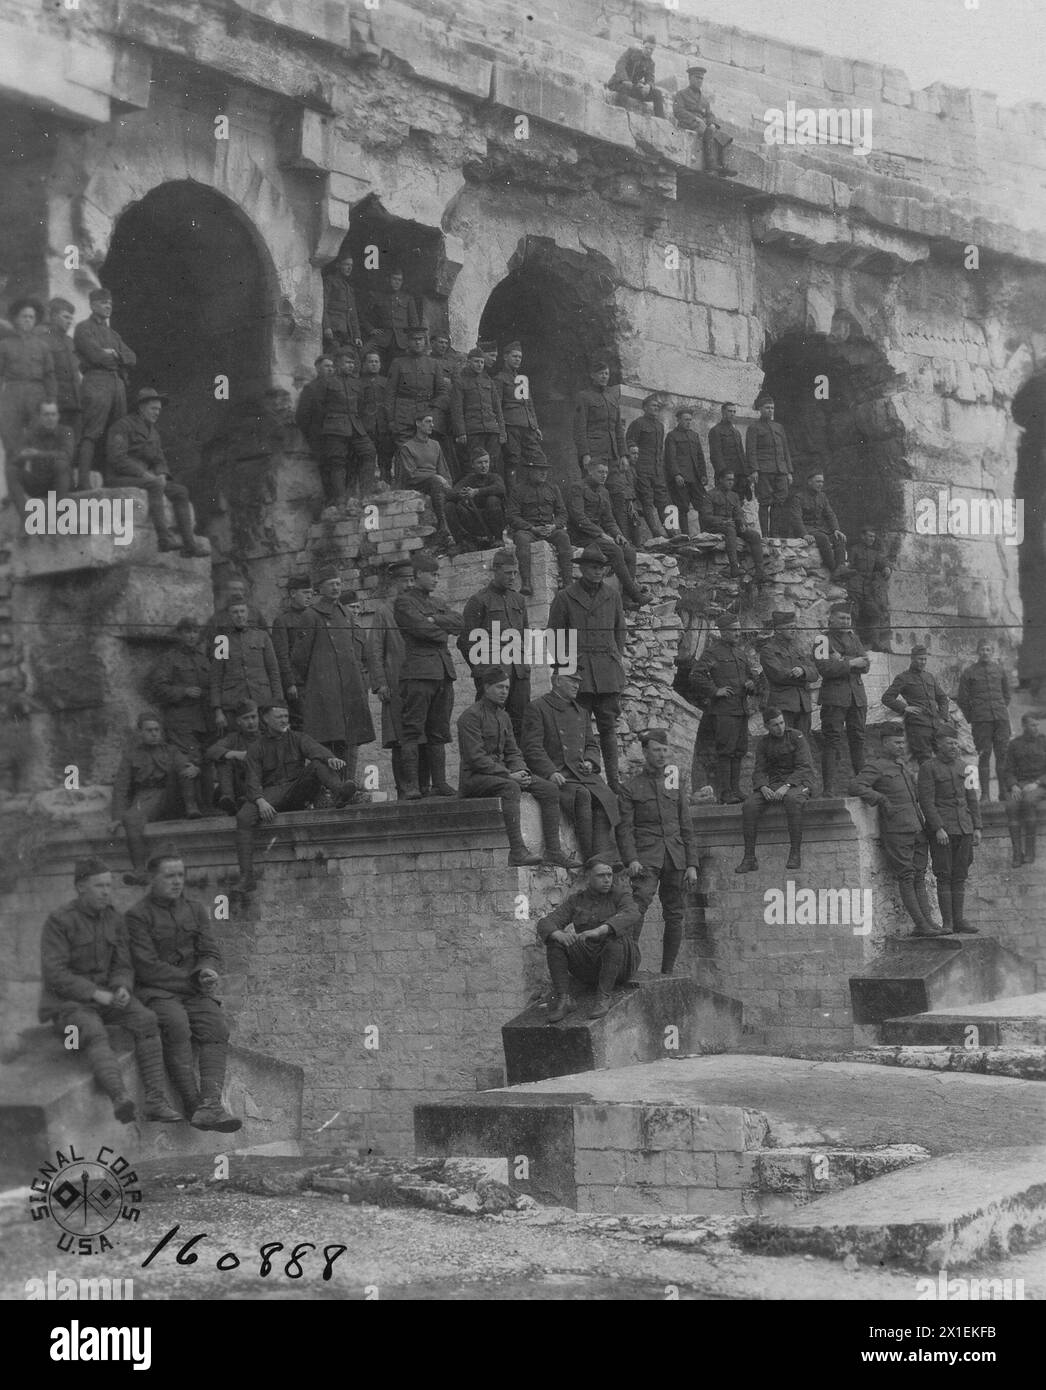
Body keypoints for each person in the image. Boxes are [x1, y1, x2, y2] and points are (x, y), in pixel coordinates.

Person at [38, 857, 182, 1125]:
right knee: (93, 1032)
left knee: (147, 1019)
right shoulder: (59, 921)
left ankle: (155, 1100)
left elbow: (123, 964)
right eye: (99, 886)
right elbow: (55, 974)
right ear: (81, 887)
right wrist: (95, 993)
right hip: (68, 1004)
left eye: (108, 885)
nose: (106, 891)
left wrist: (122, 987)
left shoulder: (114, 919)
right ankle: (119, 1097)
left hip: (107, 998)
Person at [126, 851, 242, 1131]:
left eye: (180, 875)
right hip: (156, 992)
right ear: (152, 879)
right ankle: (193, 1105)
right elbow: (146, 967)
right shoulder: (136, 916)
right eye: (169, 876)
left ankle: (211, 1104)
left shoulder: (195, 909)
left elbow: (209, 949)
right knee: (177, 1025)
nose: (177, 881)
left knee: (216, 1026)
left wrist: (207, 969)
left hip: (192, 991)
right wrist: (193, 980)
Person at [458, 666, 573, 868]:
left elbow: (513, 751)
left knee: (549, 788)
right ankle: (518, 852)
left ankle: (554, 852)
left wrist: (522, 771)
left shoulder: (503, 717)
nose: (504, 692)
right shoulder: (470, 717)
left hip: (503, 774)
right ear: (486, 688)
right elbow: (476, 758)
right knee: (510, 788)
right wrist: (509, 775)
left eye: (507, 688)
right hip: (475, 778)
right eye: (499, 687)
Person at [233, 704, 354, 892]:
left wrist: (330, 758)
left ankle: (340, 792)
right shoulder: (256, 748)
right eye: (279, 717)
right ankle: (247, 877)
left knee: (317, 763)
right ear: (265, 719)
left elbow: (314, 749)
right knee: (243, 817)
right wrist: (260, 800)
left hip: (297, 790)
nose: (284, 720)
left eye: (286, 716)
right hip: (271, 795)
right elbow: (253, 778)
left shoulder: (297, 738)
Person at [617, 728, 700, 976]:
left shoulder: (675, 783)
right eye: (656, 750)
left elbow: (686, 826)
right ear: (645, 752)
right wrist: (631, 859)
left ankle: (667, 971)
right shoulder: (631, 787)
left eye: (665, 750)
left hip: (675, 857)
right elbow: (625, 829)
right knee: (637, 906)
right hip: (646, 857)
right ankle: (629, 968)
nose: (662, 754)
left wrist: (692, 864)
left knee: (675, 913)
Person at [548, 545, 628, 792]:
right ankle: (581, 778)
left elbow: (620, 631)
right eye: (593, 568)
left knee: (608, 728)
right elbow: (555, 636)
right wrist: (566, 670)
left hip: (606, 672)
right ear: (581, 569)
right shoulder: (565, 597)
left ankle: (613, 781)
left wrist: (615, 658)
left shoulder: (612, 595)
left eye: (601, 568)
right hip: (578, 673)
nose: (597, 572)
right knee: (576, 728)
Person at [851, 723, 940, 937]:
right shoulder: (876, 766)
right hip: (897, 829)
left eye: (903, 743)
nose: (901, 747)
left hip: (917, 828)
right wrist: (880, 798)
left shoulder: (901, 766)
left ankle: (928, 923)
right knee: (907, 876)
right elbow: (856, 786)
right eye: (896, 743)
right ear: (884, 743)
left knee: (919, 875)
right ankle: (921, 925)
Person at [522, 668, 620, 862]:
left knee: (607, 796)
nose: (577, 685)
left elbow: (591, 744)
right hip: (558, 772)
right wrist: (549, 771)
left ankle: (602, 852)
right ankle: (590, 856)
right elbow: (532, 748)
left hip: (582, 773)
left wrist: (591, 762)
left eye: (578, 681)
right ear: (556, 680)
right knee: (582, 795)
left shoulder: (581, 712)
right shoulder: (538, 708)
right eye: (571, 680)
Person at [291, 564, 375, 789]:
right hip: (323, 691)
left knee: (350, 739)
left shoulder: (345, 613)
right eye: (331, 584)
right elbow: (300, 658)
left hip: (349, 689)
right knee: (327, 741)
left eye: (338, 583)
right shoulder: (310, 616)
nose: (336, 588)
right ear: (320, 587)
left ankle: (348, 786)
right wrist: (304, 688)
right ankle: (328, 791)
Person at [393, 551, 465, 799]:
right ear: (418, 575)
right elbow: (421, 629)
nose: (436, 579)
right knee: (412, 731)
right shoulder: (404, 602)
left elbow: (459, 622)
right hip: (418, 674)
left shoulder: (437, 603)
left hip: (443, 674)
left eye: (437, 574)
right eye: (432, 575)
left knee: (439, 732)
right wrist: (441, 629)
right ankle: (412, 786)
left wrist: (435, 620)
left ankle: (440, 783)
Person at [106, 387, 208, 557]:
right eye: (154, 409)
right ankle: (164, 539)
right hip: (121, 477)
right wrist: (143, 474)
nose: (157, 413)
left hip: (147, 478)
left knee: (180, 491)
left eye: (159, 410)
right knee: (155, 485)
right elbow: (117, 458)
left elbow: (160, 459)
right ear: (141, 407)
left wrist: (162, 473)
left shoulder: (153, 432)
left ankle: (189, 544)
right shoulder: (123, 426)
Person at [536, 857, 642, 1021]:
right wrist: (559, 934)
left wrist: (600, 930)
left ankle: (604, 996)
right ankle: (565, 999)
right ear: (587, 878)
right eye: (601, 876)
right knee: (555, 942)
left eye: (609, 875)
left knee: (614, 937)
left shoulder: (621, 895)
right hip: (590, 965)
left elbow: (632, 913)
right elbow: (546, 922)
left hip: (622, 964)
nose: (607, 880)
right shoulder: (577, 900)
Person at [111, 713, 202, 886]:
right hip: (145, 797)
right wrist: (116, 817)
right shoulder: (131, 755)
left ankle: (192, 807)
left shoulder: (171, 750)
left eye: (157, 730)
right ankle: (139, 870)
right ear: (140, 733)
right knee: (131, 818)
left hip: (170, 795)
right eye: (149, 730)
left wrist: (196, 770)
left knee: (184, 766)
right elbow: (121, 787)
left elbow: (187, 766)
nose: (154, 734)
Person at [459, 549, 530, 738]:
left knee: (520, 726)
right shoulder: (479, 601)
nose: (513, 577)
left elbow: (525, 635)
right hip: (493, 676)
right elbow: (465, 641)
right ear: (495, 571)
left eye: (515, 573)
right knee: (490, 726)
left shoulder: (519, 600)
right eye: (508, 573)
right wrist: (483, 670)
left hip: (519, 673)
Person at [688, 613, 759, 803]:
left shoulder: (740, 653)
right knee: (726, 751)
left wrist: (752, 683)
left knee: (739, 750)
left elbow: (752, 676)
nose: (738, 633)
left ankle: (736, 790)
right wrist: (714, 690)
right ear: (723, 632)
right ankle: (725, 793)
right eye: (733, 630)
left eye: (738, 629)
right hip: (723, 710)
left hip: (741, 709)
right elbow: (696, 675)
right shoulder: (713, 652)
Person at [147, 617, 214, 811]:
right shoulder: (170, 658)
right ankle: (190, 806)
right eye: (187, 632)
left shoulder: (203, 659)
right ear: (179, 634)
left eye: (195, 632)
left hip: (203, 719)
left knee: (205, 761)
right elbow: (157, 688)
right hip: (180, 719)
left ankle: (207, 805)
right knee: (187, 761)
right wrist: (183, 691)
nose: (192, 636)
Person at [918, 729, 982, 934]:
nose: (954, 747)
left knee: (960, 875)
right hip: (944, 831)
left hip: (964, 828)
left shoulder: (967, 767)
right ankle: (948, 923)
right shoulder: (928, 768)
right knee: (944, 875)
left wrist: (977, 827)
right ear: (938, 745)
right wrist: (938, 828)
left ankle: (959, 920)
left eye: (956, 743)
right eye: (949, 743)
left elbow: (972, 799)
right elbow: (927, 801)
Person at [736, 707, 814, 873]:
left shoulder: (796, 736)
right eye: (775, 725)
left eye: (781, 723)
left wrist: (787, 786)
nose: (780, 728)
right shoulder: (764, 743)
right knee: (749, 806)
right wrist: (763, 786)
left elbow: (804, 766)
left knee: (793, 800)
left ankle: (794, 853)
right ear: (766, 727)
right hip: (773, 784)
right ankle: (749, 857)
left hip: (800, 781)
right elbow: (760, 770)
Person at [73, 288, 136, 491]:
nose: (108, 306)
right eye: (102, 303)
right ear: (92, 305)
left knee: (116, 432)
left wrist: (114, 354)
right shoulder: (83, 328)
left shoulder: (113, 334)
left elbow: (132, 357)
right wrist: (113, 357)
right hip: (96, 382)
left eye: (109, 303)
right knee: (91, 431)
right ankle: (83, 481)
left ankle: (112, 478)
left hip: (117, 385)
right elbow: (95, 356)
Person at [565, 458, 647, 606]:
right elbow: (578, 518)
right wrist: (601, 534)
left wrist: (618, 534)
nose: (604, 475)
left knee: (629, 551)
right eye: (600, 472)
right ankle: (635, 594)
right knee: (615, 550)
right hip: (580, 535)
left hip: (597, 536)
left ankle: (627, 598)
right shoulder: (577, 488)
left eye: (606, 472)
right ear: (590, 471)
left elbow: (609, 519)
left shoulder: (604, 492)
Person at [367, 560, 412, 798]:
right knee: (399, 738)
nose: (408, 585)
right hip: (395, 684)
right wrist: (380, 683)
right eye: (404, 580)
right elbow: (374, 650)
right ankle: (403, 788)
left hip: (418, 683)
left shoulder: (418, 608)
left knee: (419, 736)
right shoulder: (384, 612)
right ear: (395, 583)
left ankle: (421, 786)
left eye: (412, 580)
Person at [814, 603, 869, 795]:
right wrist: (852, 661)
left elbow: (866, 664)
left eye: (848, 618)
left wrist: (842, 659)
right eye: (842, 618)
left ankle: (862, 786)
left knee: (858, 740)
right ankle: (828, 789)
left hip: (857, 697)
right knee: (832, 741)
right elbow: (825, 668)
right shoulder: (822, 640)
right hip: (834, 698)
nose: (846, 622)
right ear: (831, 619)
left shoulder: (854, 637)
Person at [506, 450, 573, 595]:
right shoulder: (518, 490)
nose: (544, 473)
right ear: (530, 471)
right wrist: (531, 528)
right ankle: (526, 584)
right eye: (539, 470)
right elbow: (512, 516)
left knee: (563, 537)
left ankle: (568, 583)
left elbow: (562, 513)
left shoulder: (553, 488)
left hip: (550, 530)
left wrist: (554, 525)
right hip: (529, 531)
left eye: (545, 470)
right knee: (521, 538)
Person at [317, 347, 377, 507]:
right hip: (334, 427)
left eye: (352, 363)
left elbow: (363, 406)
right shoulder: (326, 382)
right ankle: (340, 498)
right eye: (347, 363)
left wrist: (364, 427)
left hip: (355, 425)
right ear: (337, 364)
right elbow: (318, 408)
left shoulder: (356, 383)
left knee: (369, 452)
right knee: (337, 462)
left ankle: (366, 494)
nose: (351, 366)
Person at [210, 599, 283, 728]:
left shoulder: (262, 636)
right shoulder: (222, 640)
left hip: (262, 701)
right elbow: (216, 676)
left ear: (248, 613)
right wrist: (217, 710)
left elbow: (274, 672)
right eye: (235, 612)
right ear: (229, 615)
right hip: (234, 704)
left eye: (242, 611)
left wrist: (278, 704)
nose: (239, 615)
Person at [957, 639, 1012, 801]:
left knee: (1002, 755)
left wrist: (1000, 708)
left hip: (1001, 719)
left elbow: (1007, 695)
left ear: (992, 652)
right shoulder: (969, 672)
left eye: (988, 650)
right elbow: (963, 700)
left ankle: (1003, 792)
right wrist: (973, 717)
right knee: (984, 755)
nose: (985, 653)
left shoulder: (1000, 670)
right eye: (982, 650)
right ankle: (986, 795)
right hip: (981, 721)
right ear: (977, 652)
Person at [0, 298, 55, 457]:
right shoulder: (4, 345)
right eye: (24, 316)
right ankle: (14, 478)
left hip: (37, 393)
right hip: (12, 393)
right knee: (11, 439)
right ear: (16, 319)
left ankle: (36, 479)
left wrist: (51, 400)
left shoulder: (42, 346)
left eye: (31, 317)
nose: (28, 320)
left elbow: (49, 375)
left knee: (38, 438)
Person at [882, 645, 953, 764]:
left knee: (943, 756)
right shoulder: (903, 678)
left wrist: (943, 717)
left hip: (936, 724)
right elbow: (887, 698)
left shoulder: (929, 677)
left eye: (925, 659)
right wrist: (905, 708)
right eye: (920, 659)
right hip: (918, 726)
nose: (923, 662)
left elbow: (942, 698)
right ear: (912, 658)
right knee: (925, 760)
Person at [394, 411, 454, 547]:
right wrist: (437, 478)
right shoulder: (407, 447)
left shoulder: (435, 445)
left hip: (436, 483)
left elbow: (444, 470)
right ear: (418, 423)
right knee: (436, 482)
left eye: (432, 422)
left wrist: (449, 486)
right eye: (428, 421)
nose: (432, 425)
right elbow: (411, 474)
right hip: (417, 484)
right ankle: (443, 527)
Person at [385, 326, 449, 443]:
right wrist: (390, 420)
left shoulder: (434, 364)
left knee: (425, 453)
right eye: (414, 339)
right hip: (403, 416)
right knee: (405, 451)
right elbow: (390, 393)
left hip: (426, 415)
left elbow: (442, 393)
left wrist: (431, 411)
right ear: (408, 342)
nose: (418, 342)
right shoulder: (398, 363)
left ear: (425, 341)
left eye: (421, 339)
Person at [700, 470, 766, 581]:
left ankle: (760, 571)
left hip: (731, 525)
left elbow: (738, 513)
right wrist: (722, 521)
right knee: (730, 529)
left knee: (754, 535)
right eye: (728, 480)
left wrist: (742, 523)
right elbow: (706, 517)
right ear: (720, 480)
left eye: (732, 480)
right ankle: (734, 567)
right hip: (715, 526)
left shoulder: (734, 496)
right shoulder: (710, 495)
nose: (731, 482)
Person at [759, 610, 818, 737]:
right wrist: (804, 675)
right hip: (783, 706)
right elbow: (778, 675)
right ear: (778, 630)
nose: (793, 630)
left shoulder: (798, 649)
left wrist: (802, 671)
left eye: (794, 627)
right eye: (789, 628)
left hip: (803, 705)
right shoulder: (768, 650)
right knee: (784, 743)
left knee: (803, 742)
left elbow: (815, 673)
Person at [672, 65, 737, 176]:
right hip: (688, 123)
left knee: (724, 136)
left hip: (702, 126)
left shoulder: (704, 100)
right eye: (697, 78)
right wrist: (695, 118)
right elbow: (678, 111)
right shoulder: (681, 94)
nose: (699, 81)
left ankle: (722, 165)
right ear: (690, 78)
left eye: (701, 78)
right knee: (708, 131)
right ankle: (711, 166)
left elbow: (709, 114)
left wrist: (712, 123)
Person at [8, 399, 74, 508]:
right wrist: (22, 455)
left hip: (59, 483)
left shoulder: (66, 431)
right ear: (40, 417)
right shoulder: (31, 433)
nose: (50, 418)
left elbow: (67, 455)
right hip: (39, 483)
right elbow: (15, 461)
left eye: (53, 414)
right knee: (11, 470)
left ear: (58, 416)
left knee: (61, 464)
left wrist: (38, 454)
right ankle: (25, 516)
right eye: (46, 415)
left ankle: (60, 513)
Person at [451, 347, 506, 478]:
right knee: (473, 464)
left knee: (492, 464)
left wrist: (502, 432)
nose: (479, 365)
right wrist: (461, 432)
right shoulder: (460, 382)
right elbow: (457, 409)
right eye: (476, 361)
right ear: (469, 362)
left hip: (492, 430)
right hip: (473, 430)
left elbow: (497, 409)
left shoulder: (489, 382)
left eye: (481, 362)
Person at [270, 576, 314, 728]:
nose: (309, 596)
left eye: (311, 593)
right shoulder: (282, 621)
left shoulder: (315, 618)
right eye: (305, 592)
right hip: (298, 684)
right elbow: (281, 656)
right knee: (302, 723)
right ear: (293, 593)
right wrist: (290, 683)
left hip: (316, 680)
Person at [745, 396, 792, 536]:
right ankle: (765, 535)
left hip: (781, 470)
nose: (770, 410)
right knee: (765, 502)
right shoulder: (754, 427)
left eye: (772, 408)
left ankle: (774, 533)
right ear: (760, 409)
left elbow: (785, 450)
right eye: (767, 408)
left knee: (779, 501)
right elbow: (751, 450)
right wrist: (754, 470)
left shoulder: (779, 427)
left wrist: (789, 471)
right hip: (764, 470)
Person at [784, 470, 848, 574]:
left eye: (822, 482)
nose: (821, 484)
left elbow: (830, 514)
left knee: (839, 538)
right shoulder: (799, 498)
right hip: (807, 529)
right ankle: (834, 570)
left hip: (819, 529)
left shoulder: (822, 496)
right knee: (823, 538)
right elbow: (796, 518)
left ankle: (841, 567)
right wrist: (804, 534)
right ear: (809, 482)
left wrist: (836, 529)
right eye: (818, 482)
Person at [1003, 712, 1046, 867]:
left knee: (1028, 801)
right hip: (1020, 785)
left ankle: (1030, 852)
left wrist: (1037, 783)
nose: (1036, 727)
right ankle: (1017, 854)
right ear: (1024, 726)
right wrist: (1014, 785)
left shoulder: (1044, 741)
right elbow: (1008, 770)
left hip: (1040, 786)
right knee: (1011, 806)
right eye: (1032, 725)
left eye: (1037, 724)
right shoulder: (1015, 744)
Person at [495, 340, 543, 480]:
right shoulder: (500, 379)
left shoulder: (522, 379)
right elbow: (497, 406)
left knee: (538, 459)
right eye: (514, 356)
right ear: (505, 357)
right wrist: (502, 429)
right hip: (511, 426)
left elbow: (529, 404)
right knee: (512, 461)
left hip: (527, 427)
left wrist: (535, 426)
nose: (517, 360)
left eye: (520, 357)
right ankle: (511, 498)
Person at [625, 395, 669, 539]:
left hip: (657, 471)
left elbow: (660, 449)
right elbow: (630, 444)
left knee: (664, 502)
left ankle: (671, 531)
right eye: (653, 406)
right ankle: (656, 533)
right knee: (647, 501)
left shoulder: (660, 426)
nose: (656, 408)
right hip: (643, 469)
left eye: (657, 406)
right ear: (644, 408)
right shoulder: (638, 424)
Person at [446, 447, 507, 549]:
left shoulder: (494, 477)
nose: (484, 466)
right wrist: (461, 494)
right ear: (472, 465)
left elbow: (501, 489)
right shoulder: (468, 479)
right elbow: (450, 494)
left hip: (493, 521)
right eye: (480, 463)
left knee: (492, 500)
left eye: (486, 462)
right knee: (449, 506)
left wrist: (477, 492)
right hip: (474, 520)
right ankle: (461, 542)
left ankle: (498, 539)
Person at [207, 699, 261, 814]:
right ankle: (228, 799)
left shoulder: (266, 738)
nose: (251, 722)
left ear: (258, 717)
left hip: (260, 786)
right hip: (237, 785)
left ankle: (246, 800)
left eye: (253, 717)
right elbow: (211, 751)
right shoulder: (233, 738)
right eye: (246, 718)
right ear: (238, 721)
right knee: (223, 758)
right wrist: (236, 754)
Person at [39, 297, 81, 440]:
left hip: (74, 403)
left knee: (73, 443)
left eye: (71, 318)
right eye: (65, 317)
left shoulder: (71, 342)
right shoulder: (43, 340)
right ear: (53, 316)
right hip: (55, 404)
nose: (69, 321)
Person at [846, 525, 892, 651]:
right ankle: (852, 643)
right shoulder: (854, 550)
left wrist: (887, 568)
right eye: (869, 536)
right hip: (854, 586)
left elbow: (882, 562)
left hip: (867, 589)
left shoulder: (874, 553)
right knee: (853, 614)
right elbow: (848, 566)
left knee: (875, 613)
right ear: (862, 536)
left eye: (873, 537)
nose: (872, 539)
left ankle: (875, 642)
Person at [574, 363, 626, 472]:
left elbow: (618, 429)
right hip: (594, 454)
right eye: (601, 373)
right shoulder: (584, 397)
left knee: (619, 488)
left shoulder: (612, 398)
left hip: (612, 455)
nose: (604, 376)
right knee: (593, 486)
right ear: (593, 375)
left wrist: (623, 454)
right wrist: (585, 454)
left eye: (607, 373)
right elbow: (580, 429)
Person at [363, 268, 421, 366]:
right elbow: (364, 316)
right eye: (394, 279)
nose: (397, 282)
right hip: (382, 339)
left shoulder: (407, 298)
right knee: (367, 355)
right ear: (388, 279)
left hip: (402, 341)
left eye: (399, 280)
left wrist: (411, 340)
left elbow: (414, 321)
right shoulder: (377, 296)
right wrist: (371, 329)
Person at [664, 407, 708, 532]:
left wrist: (703, 474)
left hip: (695, 478)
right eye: (685, 420)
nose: (688, 422)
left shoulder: (694, 435)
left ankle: (705, 535)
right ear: (678, 420)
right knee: (682, 508)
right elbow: (670, 458)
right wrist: (677, 474)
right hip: (681, 479)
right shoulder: (672, 436)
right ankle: (685, 536)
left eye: (690, 420)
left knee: (703, 506)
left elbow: (700, 456)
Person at [606, 34, 665, 118]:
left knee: (657, 93)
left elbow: (650, 78)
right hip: (618, 83)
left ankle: (661, 120)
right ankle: (620, 115)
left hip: (633, 88)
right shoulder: (631, 51)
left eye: (651, 49)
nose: (648, 51)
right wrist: (625, 80)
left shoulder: (651, 63)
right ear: (642, 45)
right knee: (625, 87)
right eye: (646, 48)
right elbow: (620, 65)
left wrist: (648, 86)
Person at [321, 252, 364, 355]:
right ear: (338, 265)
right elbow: (323, 305)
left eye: (351, 265)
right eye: (346, 264)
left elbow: (353, 315)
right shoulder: (330, 281)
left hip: (347, 332)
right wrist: (327, 327)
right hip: (333, 331)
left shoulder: (348, 288)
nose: (349, 268)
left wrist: (357, 336)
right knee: (334, 357)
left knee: (351, 360)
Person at [708, 402, 751, 499]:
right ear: (723, 412)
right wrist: (724, 475)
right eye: (730, 411)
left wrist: (746, 474)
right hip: (725, 476)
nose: (732, 414)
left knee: (738, 503)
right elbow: (716, 456)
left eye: (734, 412)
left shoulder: (736, 432)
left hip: (739, 476)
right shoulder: (716, 431)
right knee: (724, 503)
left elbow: (741, 454)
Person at [294, 354, 335, 456]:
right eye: (327, 366)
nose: (330, 369)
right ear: (317, 368)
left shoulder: (338, 387)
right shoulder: (311, 388)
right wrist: (313, 434)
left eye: (332, 366)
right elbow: (301, 415)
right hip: (320, 436)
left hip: (338, 435)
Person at [607, 443, 641, 546]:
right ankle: (626, 545)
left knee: (634, 517)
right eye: (633, 453)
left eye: (637, 453)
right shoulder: (621, 468)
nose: (636, 456)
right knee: (623, 519)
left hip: (629, 499)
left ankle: (637, 545)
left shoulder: (632, 470)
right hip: (620, 498)